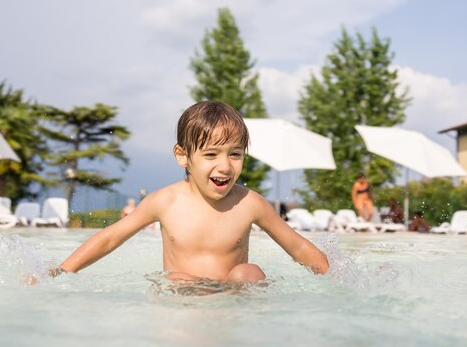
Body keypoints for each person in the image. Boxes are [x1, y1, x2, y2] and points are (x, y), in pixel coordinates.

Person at [50, 101, 329, 283]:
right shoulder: (165, 202)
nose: (225, 166)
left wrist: (338, 277)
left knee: (249, 272)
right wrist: (61, 272)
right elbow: (110, 238)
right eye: (211, 154)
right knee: (175, 279)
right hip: (181, 297)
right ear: (183, 156)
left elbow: (297, 246)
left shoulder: (249, 203)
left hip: (232, 300)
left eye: (235, 154)